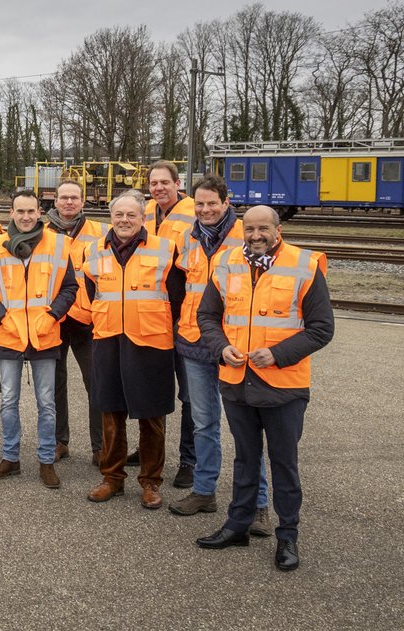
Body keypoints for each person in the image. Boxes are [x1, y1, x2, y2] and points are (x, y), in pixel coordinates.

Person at [194, 205, 333, 572]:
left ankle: (287, 535)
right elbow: (207, 315)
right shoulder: (226, 263)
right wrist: (221, 347)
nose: (256, 235)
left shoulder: (304, 265)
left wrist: (277, 354)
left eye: (263, 229)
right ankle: (237, 525)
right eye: (249, 229)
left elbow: (322, 328)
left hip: (283, 386)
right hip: (237, 381)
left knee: (283, 462)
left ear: (277, 229)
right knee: (245, 458)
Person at [166, 175, 271, 535]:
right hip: (195, 342)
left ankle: (258, 505)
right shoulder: (188, 237)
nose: (206, 209)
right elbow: (181, 286)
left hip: (236, 345)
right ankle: (204, 491)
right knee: (204, 423)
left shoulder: (247, 235)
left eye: (212, 203)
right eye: (200, 203)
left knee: (247, 429)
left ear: (226, 202)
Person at [81, 190, 178, 509]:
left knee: (151, 416)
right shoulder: (93, 250)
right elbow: (93, 292)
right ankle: (112, 478)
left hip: (151, 343)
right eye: (118, 215)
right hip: (108, 340)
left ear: (143, 217)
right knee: (111, 412)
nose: (124, 220)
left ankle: (150, 481)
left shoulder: (166, 249)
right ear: (111, 217)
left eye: (131, 215)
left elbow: (176, 297)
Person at [0, 190, 77, 488]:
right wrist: (2, 317)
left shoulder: (58, 245)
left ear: (39, 213)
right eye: (19, 211)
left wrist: (52, 315)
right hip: (9, 335)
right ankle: (11, 458)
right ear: (11, 213)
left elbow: (69, 288)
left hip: (45, 335)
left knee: (46, 403)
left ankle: (46, 461)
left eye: (30, 211)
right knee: (9, 401)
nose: (25, 216)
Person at [143, 160, 198, 489]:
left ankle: (189, 460)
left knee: (190, 393)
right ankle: (150, 451)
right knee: (151, 387)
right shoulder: (146, 211)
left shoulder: (194, 212)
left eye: (165, 182)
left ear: (178, 183)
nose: (159, 188)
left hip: (185, 315)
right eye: (154, 183)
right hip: (153, 315)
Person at [46, 180, 104, 465]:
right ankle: (60, 441)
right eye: (64, 197)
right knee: (54, 383)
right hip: (53, 316)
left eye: (74, 198)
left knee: (96, 383)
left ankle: (100, 447)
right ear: (55, 201)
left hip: (88, 318)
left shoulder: (100, 232)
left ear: (83, 201)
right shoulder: (42, 233)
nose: (69, 202)